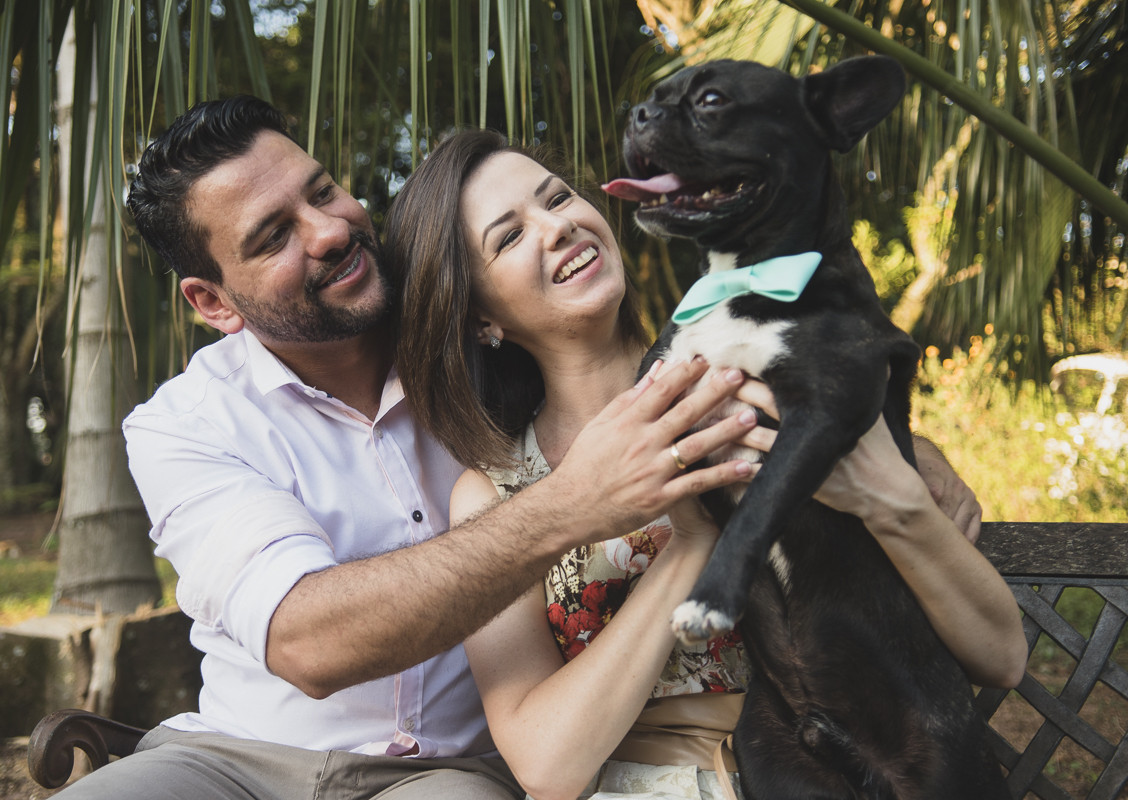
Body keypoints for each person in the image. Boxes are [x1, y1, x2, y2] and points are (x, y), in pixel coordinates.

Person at [52, 96, 764, 800]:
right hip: (243, 759)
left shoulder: (472, 362)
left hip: (450, 774)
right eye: (273, 236)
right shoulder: (186, 424)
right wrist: (580, 499)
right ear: (214, 303)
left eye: (323, 191)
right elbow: (308, 642)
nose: (329, 231)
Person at [387, 129, 1029, 800]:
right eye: (508, 237)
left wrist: (904, 457)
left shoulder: (754, 380)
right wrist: (693, 545)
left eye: (558, 197)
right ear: (479, 317)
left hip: (847, 765)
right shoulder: (499, 497)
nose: (557, 226)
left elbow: (999, 655)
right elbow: (547, 766)